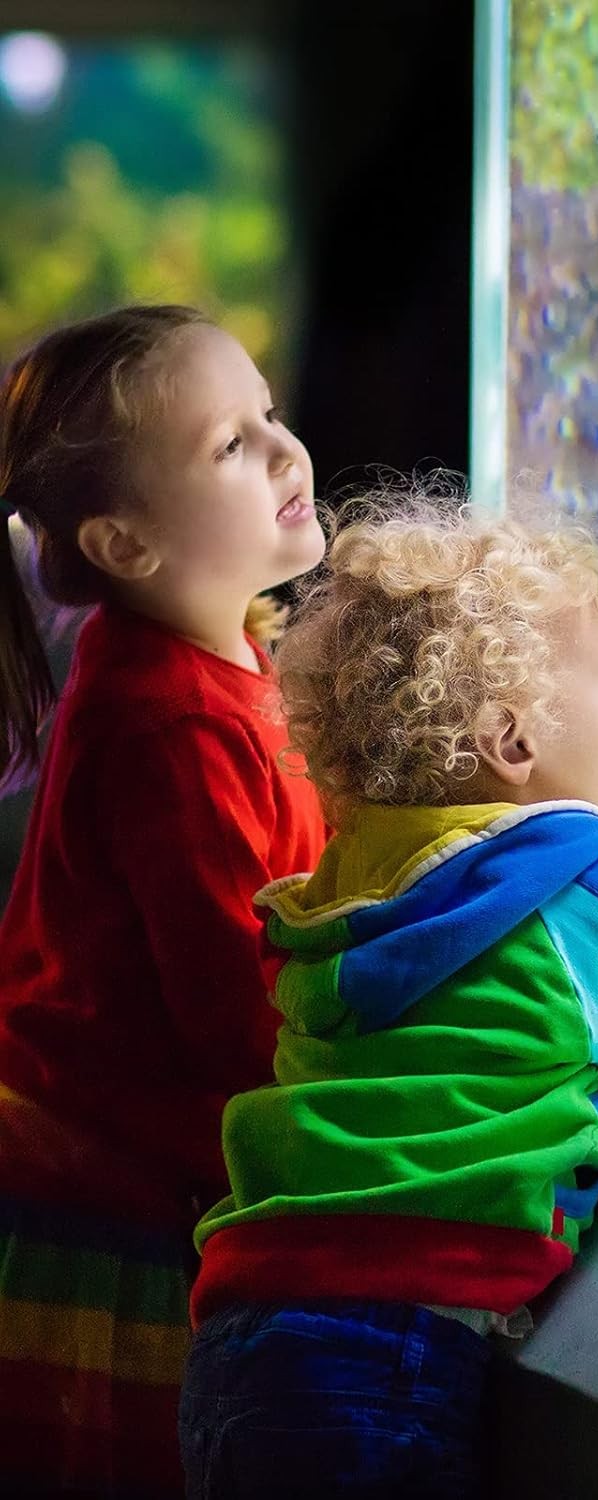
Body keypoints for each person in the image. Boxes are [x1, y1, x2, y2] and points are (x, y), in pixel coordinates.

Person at [178, 494, 598, 1498]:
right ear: (512, 741)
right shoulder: (577, 876)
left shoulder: (352, 882)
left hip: (241, 1330)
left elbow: (463, 1070)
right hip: (391, 1362)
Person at [0, 305, 330, 1498]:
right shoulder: (171, 723)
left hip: (151, 1158)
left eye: (269, 415)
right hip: (114, 1199)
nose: (285, 450)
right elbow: (239, 1015)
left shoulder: (214, 655)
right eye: (231, 445)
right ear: (126, 543)